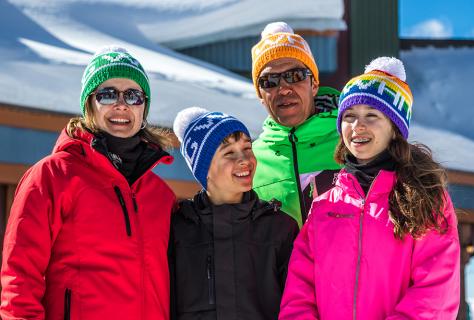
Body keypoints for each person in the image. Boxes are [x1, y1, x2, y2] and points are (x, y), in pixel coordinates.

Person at [0, 46, 176, 320]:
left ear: (144, 107)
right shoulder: (52, 176)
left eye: (133, 95)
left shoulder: (161, 196)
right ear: (89, 104)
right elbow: (19, 278)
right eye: (107, 94)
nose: (121, 105)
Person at [279, 57, 460, 319]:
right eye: (349, 116)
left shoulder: (425, 196)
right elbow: (299, 292)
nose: (357, 126)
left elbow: (435, 292)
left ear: (395, 127)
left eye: (371, 116)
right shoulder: (324, 206)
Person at [170, 107, 299, 320]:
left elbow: (296, 306)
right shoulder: (179, 229)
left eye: (247, 148)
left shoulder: (279, 228)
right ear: (204, 169)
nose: (244, 160)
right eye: (229, 153)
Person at [251, 21, 342, 227]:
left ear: (314, 85)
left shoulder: (351, 142)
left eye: (295, 76)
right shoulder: (250, 160)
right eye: (269, 81)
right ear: (261, 96)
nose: (283, 89)